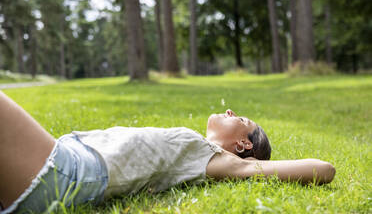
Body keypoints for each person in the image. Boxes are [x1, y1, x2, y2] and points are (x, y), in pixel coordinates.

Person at [0, 91, 336, 213]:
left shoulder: (222, 162)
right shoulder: (201, 152)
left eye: (242, 120)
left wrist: (254, 165)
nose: (231, 112)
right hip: (60, 160)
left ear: (243, 145)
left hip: (65, 174)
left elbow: (324, 169)